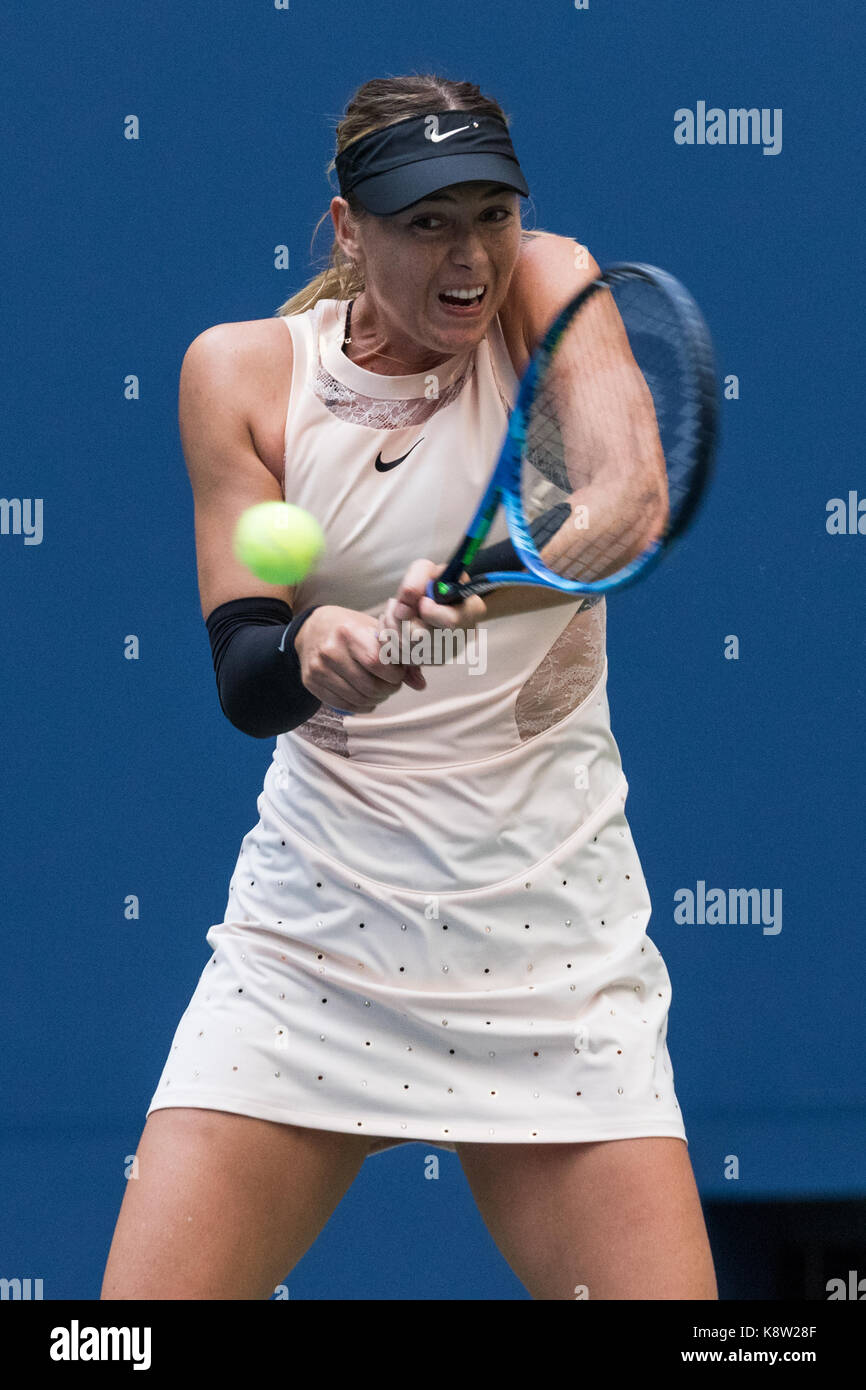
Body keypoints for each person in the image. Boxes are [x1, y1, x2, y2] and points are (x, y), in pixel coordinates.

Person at [101, 73, 717, 1301]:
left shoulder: (552, 282)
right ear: (347, 229)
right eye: (426, 221)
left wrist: (474, 590)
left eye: (490, 214)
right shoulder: (238, 372)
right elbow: (246, 677)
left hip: (548, 937)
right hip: (316, 937)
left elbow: (628, 499)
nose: (470, 255)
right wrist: (318, 645)